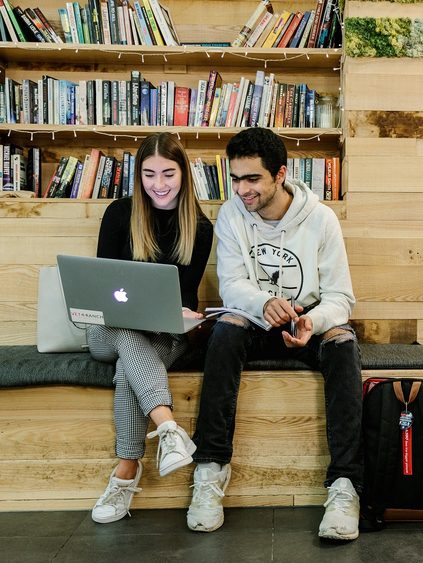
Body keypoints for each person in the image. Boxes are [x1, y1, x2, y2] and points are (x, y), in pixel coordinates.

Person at [187, 127, 363, 541]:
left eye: (252, 179)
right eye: (235, 178)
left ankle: (345, 486)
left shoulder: (320, 219)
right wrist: (264, 304)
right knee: (226, 330)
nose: (241, 189)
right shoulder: (231, 214)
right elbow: (231, 285)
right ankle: (210, 470)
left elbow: (341, 296)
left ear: (280, 174)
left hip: (308, 322)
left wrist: (312, 322)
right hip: (256, 320)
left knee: (343, 343)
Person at [88, 132, 213, 524]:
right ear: (138, 176)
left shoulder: (201, 227)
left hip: (163, 335)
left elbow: (187, 296)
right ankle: (168, 428)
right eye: (149, 174)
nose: (158, 184)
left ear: (184, 174)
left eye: (168, 173)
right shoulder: (119, 214)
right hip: (108, 331)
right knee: (127, 332)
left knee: (131, 365)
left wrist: (184, 313)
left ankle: (126, 473)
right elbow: (102, 288)